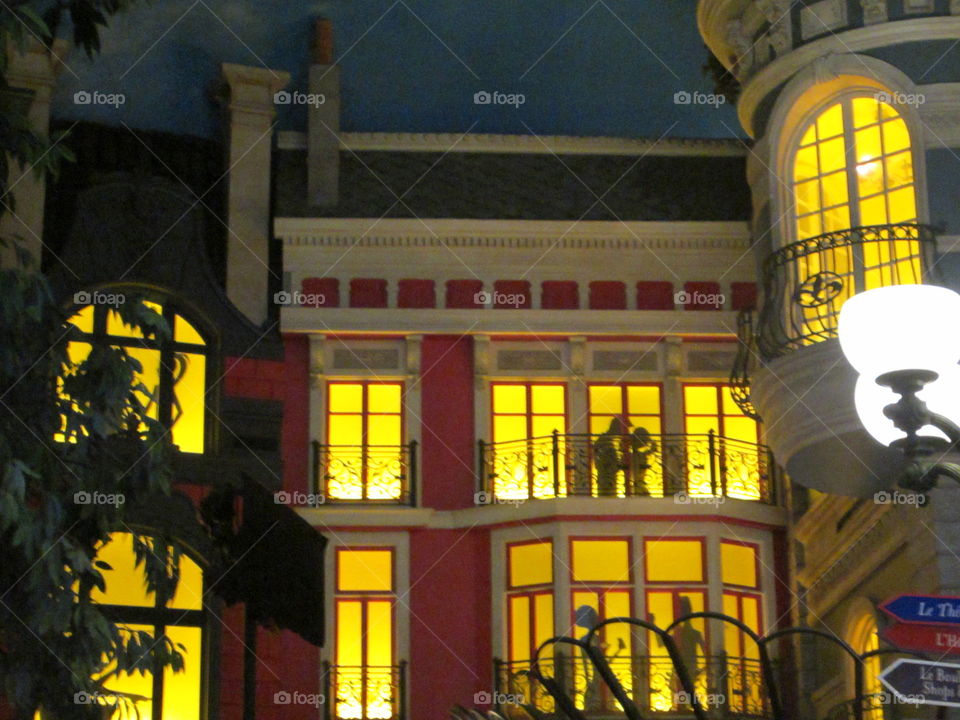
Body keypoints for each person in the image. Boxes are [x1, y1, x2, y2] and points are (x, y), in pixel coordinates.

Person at [593, 418, 622, 496]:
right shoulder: (604, 440)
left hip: (608, 478)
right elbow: (603, 460)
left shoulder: (607, 440)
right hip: (606, 480)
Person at [628, 426, 658, 496]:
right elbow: (635, 472)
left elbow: (646, 453)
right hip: (638, 484)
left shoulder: (637, 454)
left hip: (639, 484)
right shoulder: (634, 456)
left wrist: (652, 449)